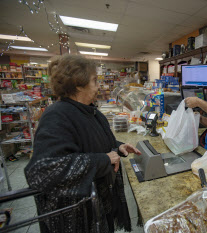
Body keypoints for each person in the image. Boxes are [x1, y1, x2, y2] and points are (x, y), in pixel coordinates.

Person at [24, 54, 141, 233]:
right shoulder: (57, 115)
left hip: (98, 211)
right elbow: (42, 171)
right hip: (78, 220)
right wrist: (102, 160)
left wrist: (118, 148)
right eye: (94, 80)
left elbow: (91, 144)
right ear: (79, 84)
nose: (98, 86)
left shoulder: (89, 111)